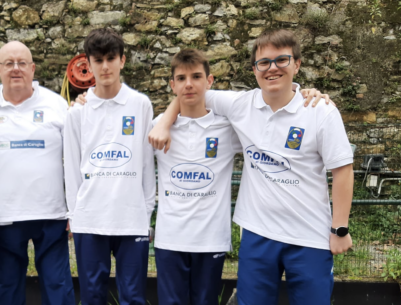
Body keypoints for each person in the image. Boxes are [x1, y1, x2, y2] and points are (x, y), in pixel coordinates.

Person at [150, 28, 354, 305]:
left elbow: (342, 170)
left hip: (310, 235)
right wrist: (163, 123)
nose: (272, 68)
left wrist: (339, 229)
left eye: (281, 60)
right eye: (264, 63)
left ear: (297, 64)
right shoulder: (240, 104)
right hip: (258, 234)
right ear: (254, 69)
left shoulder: (320, 110)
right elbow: (189, 93)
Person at [0, 41, 75, 305]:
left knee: (58, 286)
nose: (16, 69)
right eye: (9, 63)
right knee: (6, 289)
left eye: (22, 63)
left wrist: (75, 209)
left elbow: (74, 159)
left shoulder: (56, 104)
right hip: (5, 216)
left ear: (33, 68)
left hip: (51, 214)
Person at [63, 28, 156, 305]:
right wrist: (76, 215)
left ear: (122, 60)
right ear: (88, 64)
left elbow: (146, 161)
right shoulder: (77, 112)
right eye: (98, 60)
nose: (105, 66)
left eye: (111, 58)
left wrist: (146, 210)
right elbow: (71, 169)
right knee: (92, 296)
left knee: (134, 296)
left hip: (131, 218)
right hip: (90, 220)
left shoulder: (140, 104)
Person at [152, 49, 242, 305]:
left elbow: (262, 103)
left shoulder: (228, 128)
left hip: (211, 239)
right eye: (181, 78)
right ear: (172, 85)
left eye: (196, 77)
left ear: (210, 81)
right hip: (170, 238)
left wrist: (302, 93)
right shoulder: (158, 126)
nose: (189, 84)